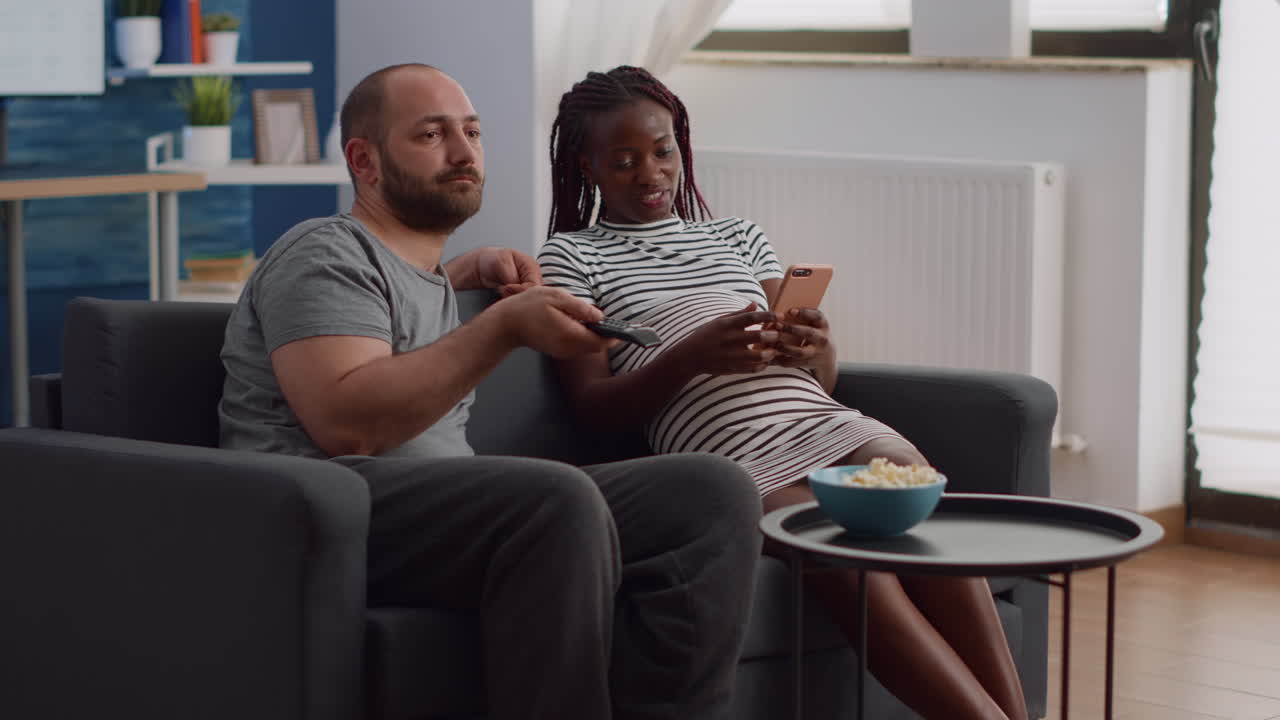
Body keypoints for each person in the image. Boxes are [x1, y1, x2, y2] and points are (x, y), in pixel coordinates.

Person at [217, 62, 763, 720]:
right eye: (431, 135)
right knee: (553, 497)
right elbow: (346, 423)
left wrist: (460, 278)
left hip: (434, 510)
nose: (463, 152)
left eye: (472, 132)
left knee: (710, 491)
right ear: (364, 160)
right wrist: (501, 327)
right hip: (324, 506)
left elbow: (384, 337)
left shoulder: (418, 277)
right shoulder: (322, 250)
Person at [538, 65, 1030, 720]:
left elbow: (814, 379)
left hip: (819, 421)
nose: (651, 174)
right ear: (586, 166)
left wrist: (818, 346)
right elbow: (593, 409)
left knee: (920, 499)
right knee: (847, 562)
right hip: (730, 459)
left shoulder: (738, 236)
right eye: (624, 161)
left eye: (663, 152)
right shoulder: (572, 258)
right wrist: (689, 356)